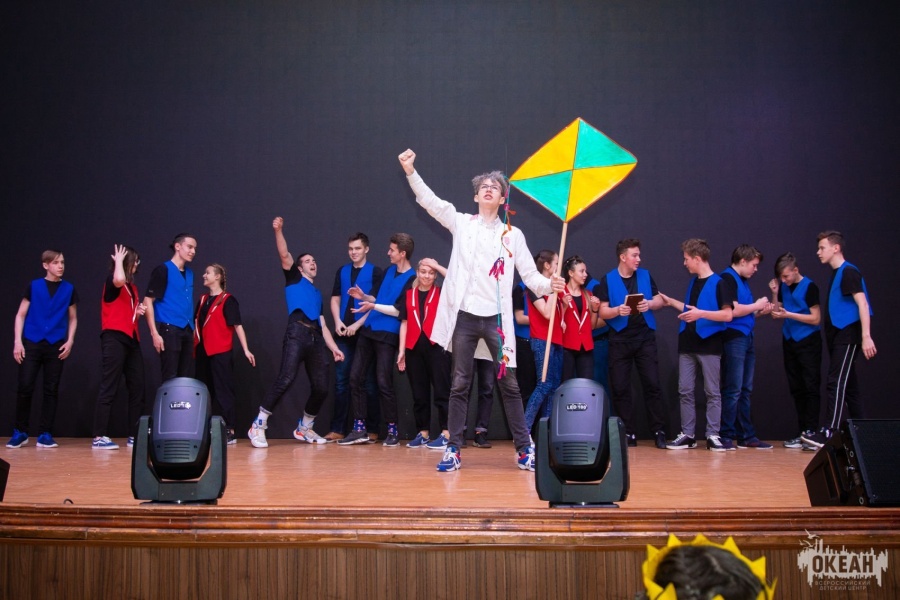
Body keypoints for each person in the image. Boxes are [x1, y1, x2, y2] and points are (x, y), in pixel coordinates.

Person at [398, 148, 564, 472]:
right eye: (483, 186)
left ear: (502, 199)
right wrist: (410, 171)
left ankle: (524, 449)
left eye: (495, 187)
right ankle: (453, 449)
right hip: (464, 317)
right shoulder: (461, 223)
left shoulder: (513, 236)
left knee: (509, 385)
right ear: (476, 196)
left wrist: (550, 285)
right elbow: (431, 202)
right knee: (460, 383)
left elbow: (531, 277)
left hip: (497, 321)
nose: (488, 189)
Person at [248, 217, 344, 448]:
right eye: (308, 261)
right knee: (286, 378)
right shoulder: (294, 279)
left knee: (321, 387)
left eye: (314, 261)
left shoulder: (317, 293)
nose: (313, 263)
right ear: (300, 268)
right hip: (297, 333)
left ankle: (304, 428)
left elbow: (323, 324)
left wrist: (334, 348)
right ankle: (258, 425)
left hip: (316, 338)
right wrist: (278, 230)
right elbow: (284, 254)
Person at [337, 233, 416, 447]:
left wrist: (373, 306)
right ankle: (359, 428)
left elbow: (399, 310)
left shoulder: (412, 278)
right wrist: (364, 297)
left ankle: (392, 430)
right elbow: (376, 298)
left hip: (388, 334)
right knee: (355, 377)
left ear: (402, 253)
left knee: (383, 382)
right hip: (369, 330)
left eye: (392, 250)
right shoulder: (389, 271)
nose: (388, 253)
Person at [802, 231, 875, 449]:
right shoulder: (837, 273)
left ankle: (829, 431)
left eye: (822, 248)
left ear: (836, 248)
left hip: (848, 335)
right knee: (849, 387)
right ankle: (864, 436)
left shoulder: (849, 271)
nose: (818, 252)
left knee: (835, 382)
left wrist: (866, 336)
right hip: (838, 337)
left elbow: (863, 304)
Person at [659, 239, 734, 452]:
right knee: (685, 390)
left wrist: (701, 314)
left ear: (697, 259)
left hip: (709, 344)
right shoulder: (693, 282)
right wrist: (670, 301)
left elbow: (727, 315)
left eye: (686, 259)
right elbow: (690, 309)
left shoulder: (720, 283)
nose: (684, 263)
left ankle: (713, 434)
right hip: (688, 344)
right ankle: (688, 435)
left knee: (712, 392)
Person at [595, 239, 668, 449]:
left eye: (638, 255)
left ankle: (659, 431)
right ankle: (628, 432)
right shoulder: (607, 280)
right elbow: (602, 311)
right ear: (623, 257)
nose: (638, 259)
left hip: (645, 338)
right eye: (634, 255)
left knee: (652, 385)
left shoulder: (645, 275)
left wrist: (650, 304)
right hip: (620, 340)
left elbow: (660, 300)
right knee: (620, 388)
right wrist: (617, 310)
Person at [7, 250, 78, 449]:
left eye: (62, 262)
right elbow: (20, 314)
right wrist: (17, 341)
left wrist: (70, 341)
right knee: (25, 387)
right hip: (32, 341)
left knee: (51, 389)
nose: (60, 266)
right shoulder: (34, 286)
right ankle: (20, 431)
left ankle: (45, 433)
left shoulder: (69, 289)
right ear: (46, 265)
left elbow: (73, 317)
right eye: (56, 262)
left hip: (55, 344)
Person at [326, 232, 383, 442]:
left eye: (357, 248)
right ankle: (338, 429)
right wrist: (338, 322)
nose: (353, 252)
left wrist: (357, 325)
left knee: (368, 382)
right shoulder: (342, 271)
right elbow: (335, 299)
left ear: (366, 249)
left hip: (366, 333)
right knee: (341, 381)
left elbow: (376, 303)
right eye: (350, 249)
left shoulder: (376, 271)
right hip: (343, 333)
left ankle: (372, 429)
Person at [719, 245, 774, 450]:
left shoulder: (741, 280)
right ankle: (726, 434)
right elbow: (733, 310)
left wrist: (758, 311)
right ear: (743, 261)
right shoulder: (728, 278)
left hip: (746, 336)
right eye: (754, 265)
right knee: (733, 388)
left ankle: (746, 435)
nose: (755, 269)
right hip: (734, 338)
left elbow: (745, 312)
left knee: (744, 389)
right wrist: (756, 306)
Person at [195, 263, 256, 445]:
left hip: (221, 351)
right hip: (202, 351)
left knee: (224, 391)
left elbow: (237, 326)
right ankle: (202, 428)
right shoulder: (202, 299)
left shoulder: (228, 300)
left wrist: (246, 349)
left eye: (207, 273)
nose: (204, 275)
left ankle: (229, 429)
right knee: (204, 391)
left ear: (218, 277)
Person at [92, 245, 145, 450]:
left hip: (132, 339)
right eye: (135, 260)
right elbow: (119, 280)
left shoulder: (133, 288)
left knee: (137, 386)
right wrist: (119, 261)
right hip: (114, 337)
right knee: (109, 385)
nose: (137, 264)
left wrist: (136, 313)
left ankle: (134, 434)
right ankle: (99, 436)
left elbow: (126, 312)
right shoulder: (114, 281)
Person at [769, 252, 822, 450]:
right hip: (790, 340)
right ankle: (802, 433)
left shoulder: (810, 287)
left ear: (796, 270)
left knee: (810, 386)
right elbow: (776, 313)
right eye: (781, 277)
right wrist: (775, 293)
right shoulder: (784, 286)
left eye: (786, 276)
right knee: (797, 387)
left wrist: (790, 314)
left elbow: (815, 318)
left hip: (808, 341)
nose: (784, 280)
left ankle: (811, 432)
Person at [396, 258, 451, 448]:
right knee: (419, 394)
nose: (427, 276)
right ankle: (423, 433)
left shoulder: (442, 293)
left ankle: (447, 433)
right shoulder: (408, 294)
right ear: (417, 273)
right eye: (423, 272)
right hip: (414, 349)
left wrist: (437, 265)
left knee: (442, 391)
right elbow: (404, 323)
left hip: (437, 348)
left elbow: (454, 279)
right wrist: (402, 350)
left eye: (431, 272)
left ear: (435, 275)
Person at [143, 233, 198, 381]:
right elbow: (148, 300)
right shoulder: (163, 269)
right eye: (190, 247)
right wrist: (154, 333)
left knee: (185, 376)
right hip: (170, 328)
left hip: (187, 329)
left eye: (195, 248)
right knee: (170, 376)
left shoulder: (190, 273)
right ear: (177, 246)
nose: (193, 251)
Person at [523, 251, 565, 434]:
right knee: (544, 385)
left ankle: (545, 432)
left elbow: (557, 314)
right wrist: (554, 289)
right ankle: (524, 431)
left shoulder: (555, 287)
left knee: (554, 387)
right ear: (547, 265)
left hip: (556, 339)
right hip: (542, 339)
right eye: (556, 263)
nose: (558, 267)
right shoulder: (535, 286)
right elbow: (546, 313)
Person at [558, 255, 597, 381]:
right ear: (571, 273)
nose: (585, 275)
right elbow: (556, 323)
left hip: (586, 347)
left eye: (585, 271)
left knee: (586, 383)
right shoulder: (560, 293)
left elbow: (592, 326)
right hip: (566, 346)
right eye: (582, 271)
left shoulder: (588, 294)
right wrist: (564, 306)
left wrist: (595, 309)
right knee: (565, 383)